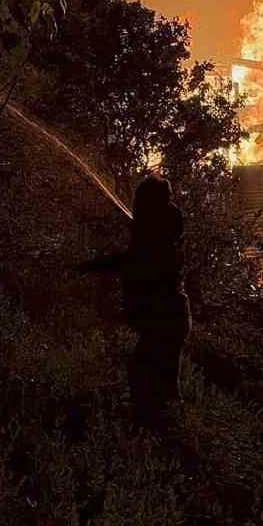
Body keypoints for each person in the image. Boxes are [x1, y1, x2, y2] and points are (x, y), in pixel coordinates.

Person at [79, 175, 190, 426]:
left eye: (140, 202)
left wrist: (88, 266)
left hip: (164, 320)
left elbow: (128, 262)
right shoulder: (161, 232)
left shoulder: (156, 240)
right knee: (162, 385)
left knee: (149, 383)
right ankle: (172, 436)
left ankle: (162, 439)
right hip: (170, 318)